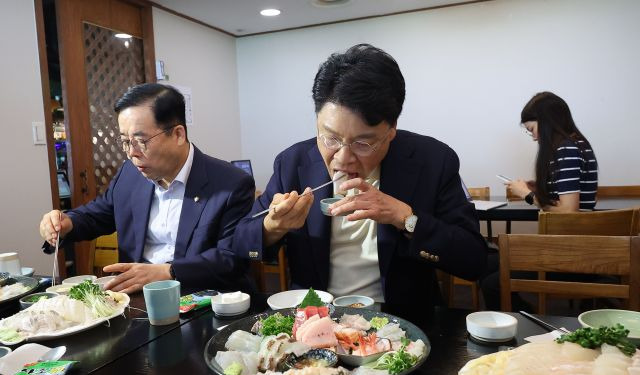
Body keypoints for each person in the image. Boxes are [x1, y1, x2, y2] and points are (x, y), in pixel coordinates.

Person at [233, 44, 487, 322]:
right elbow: (240, 240)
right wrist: (274, 227)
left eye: (363, 143)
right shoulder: (293, 163)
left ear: (391, 132)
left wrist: (406, 218)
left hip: (403, 322)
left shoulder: (432, 161)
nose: (342, 158)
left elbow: (473, 260)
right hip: (316, 321)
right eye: (329, 138)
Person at [39, 83, 255, 294]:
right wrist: (67, 222)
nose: (131, 153)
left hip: (201, 300)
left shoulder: (230, 184)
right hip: (137, 300)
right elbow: (98, 214)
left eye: (141, 141)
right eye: (125, 141)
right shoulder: (130, 175)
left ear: (178, 134)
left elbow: (231, 258)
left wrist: (169, 272)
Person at [480, 91, 598, 310]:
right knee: (486, 266)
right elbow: (567, 201)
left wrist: (528, 195)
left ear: (546, 122)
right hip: (575, 247)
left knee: (490, 282)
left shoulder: (566, 149)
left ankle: (524, 323)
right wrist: (543, 188)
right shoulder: (576, 144)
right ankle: (528, 315)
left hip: (572, 254)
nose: (534, 137)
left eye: (532, 130)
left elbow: (569, 213)